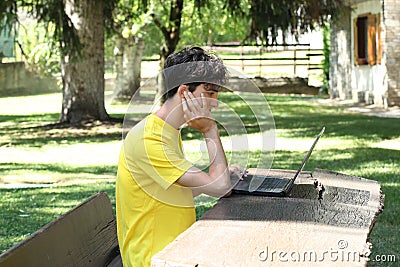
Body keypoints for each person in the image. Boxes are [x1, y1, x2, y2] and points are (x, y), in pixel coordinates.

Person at [116, 46, 246, 267]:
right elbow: (221, 189)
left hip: (177, 252)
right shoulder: (149, 140)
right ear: (184, 91)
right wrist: (209, 130)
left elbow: (174, 192)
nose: (214, 102)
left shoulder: (167, 131)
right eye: (210, 93)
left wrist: (219, 176)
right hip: (154, 260)